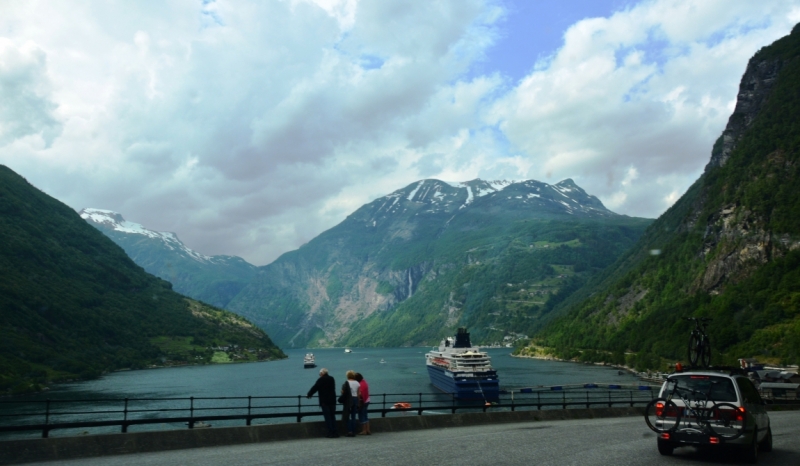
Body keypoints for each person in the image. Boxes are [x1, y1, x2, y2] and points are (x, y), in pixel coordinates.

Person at [307, 368, 338, 438]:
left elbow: (315, 387)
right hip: (332, 401)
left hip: (325, 401)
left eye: (320, 373)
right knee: (333, 416)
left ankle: (330, 432)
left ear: (322, 373)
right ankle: (335, 432)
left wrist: (309, 394)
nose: (319, 375)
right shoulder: (332, 378)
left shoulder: (321, 380)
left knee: (328, 417)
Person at [345, 370, 360, 437]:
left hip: (349, 399)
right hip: (355, 399)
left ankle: (349, 431)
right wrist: (358, 402)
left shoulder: (347, 382)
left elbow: (344, 392)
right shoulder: (357, 383)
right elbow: (358, 393)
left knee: (347, 415)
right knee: (353, 416)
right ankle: (354, 431)